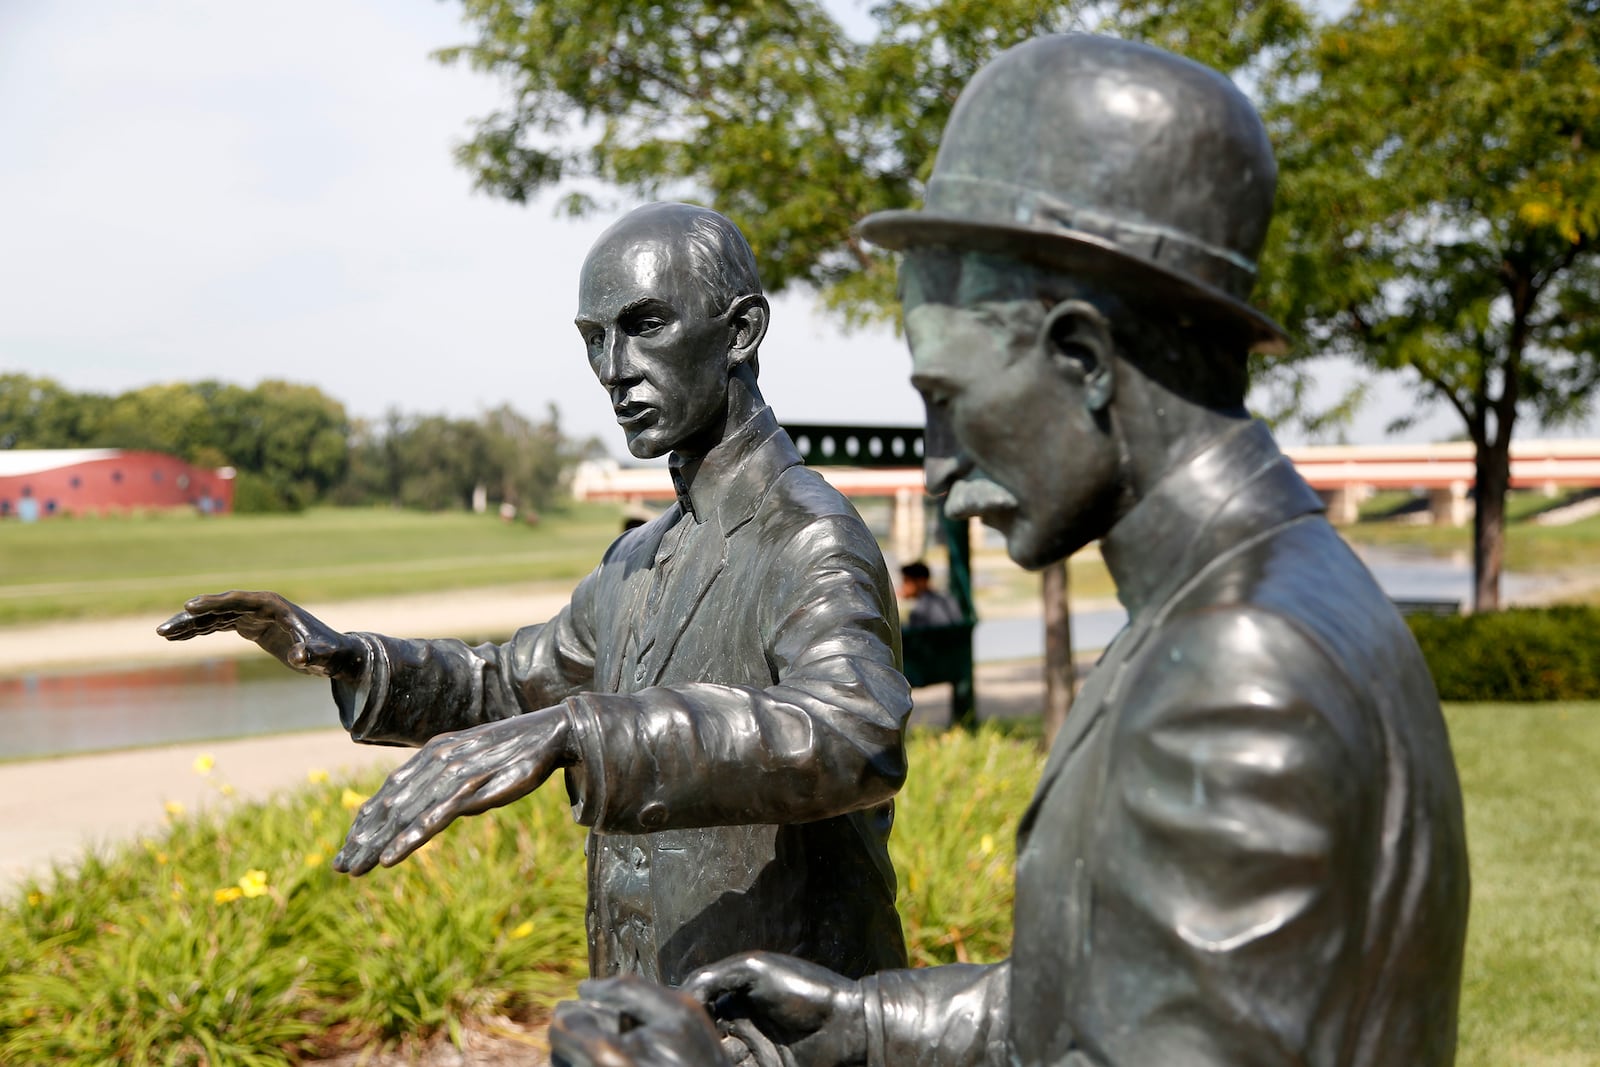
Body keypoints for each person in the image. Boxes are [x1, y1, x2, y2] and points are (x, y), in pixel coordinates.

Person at [552, 35, 1470, 1067]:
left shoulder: (1236, 667)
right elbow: (1106, 997)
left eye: (947, 401)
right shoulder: (1266, 591)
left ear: (1080, 358)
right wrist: (865, 1023)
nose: (938, 470)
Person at [157, 202, 912, 985]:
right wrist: (353, 659)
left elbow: (855, 731)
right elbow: (515, 684)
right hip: (652, 1011)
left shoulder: (808, 535)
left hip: (784, 1021)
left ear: (742, 330)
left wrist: (581, 733)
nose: (614, 367)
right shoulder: (636, 557)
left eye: (645, 325)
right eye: (595, 338)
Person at [898, 560, 963, 629]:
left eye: (906, 581)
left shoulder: (919, 612)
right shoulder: (949, 600)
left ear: (921, 581)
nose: (903, 586)